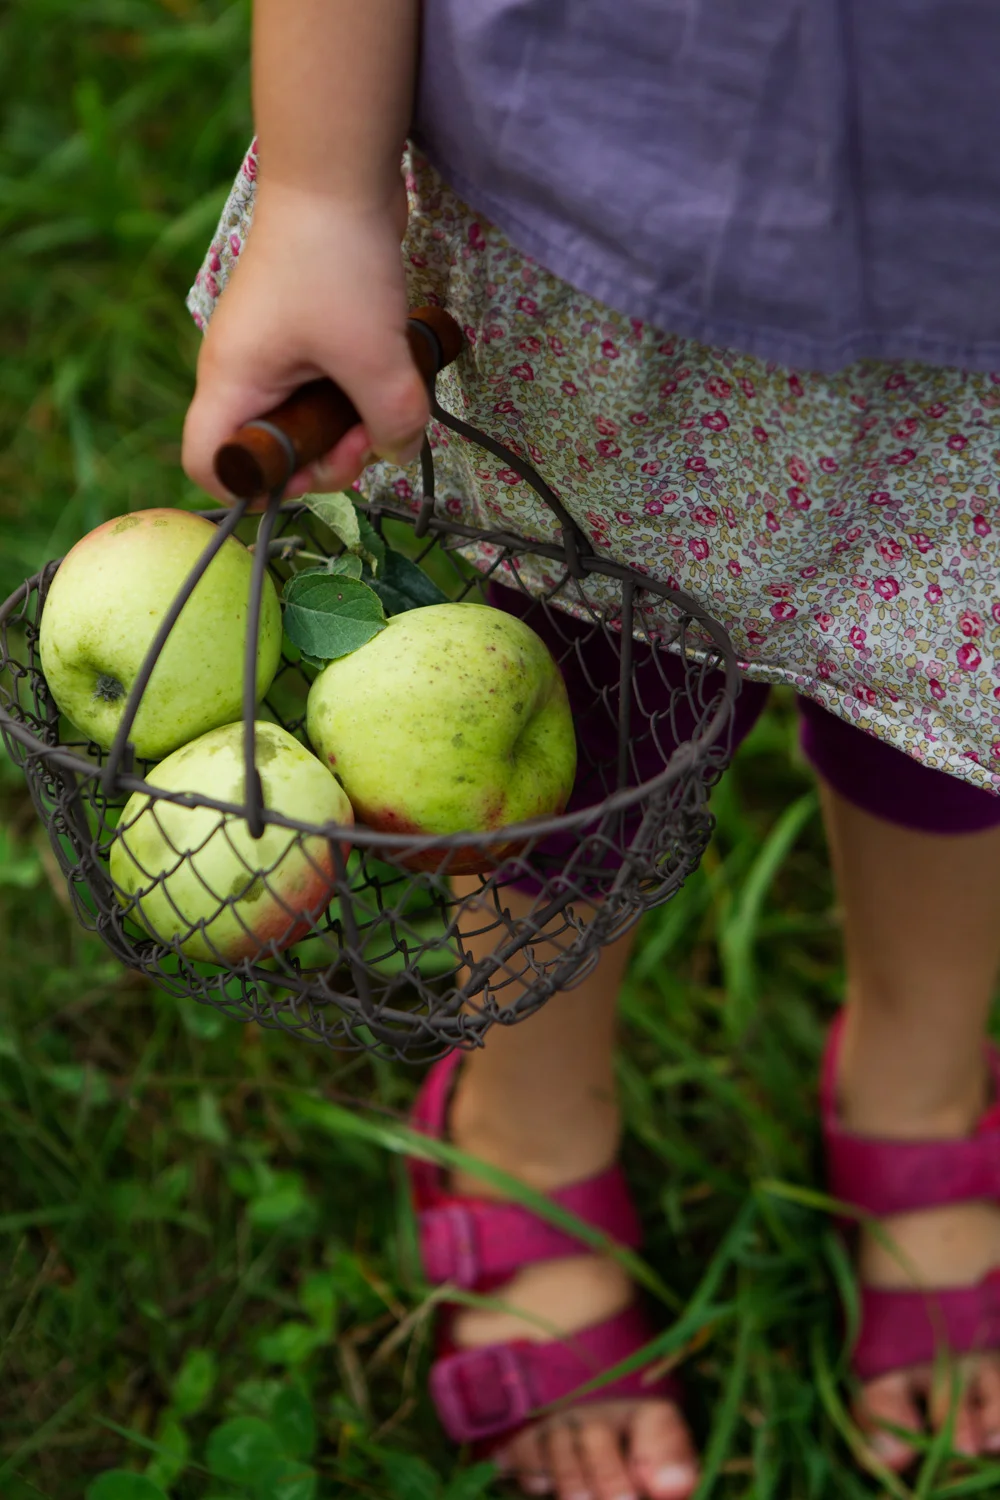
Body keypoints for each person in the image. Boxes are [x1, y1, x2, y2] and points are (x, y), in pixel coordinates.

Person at [182, 5, 1000, 1496]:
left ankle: (922, 1085)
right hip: (608, 210)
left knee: (965, 719)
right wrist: (319, 185)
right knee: (558, 706)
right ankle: (532, 1116)